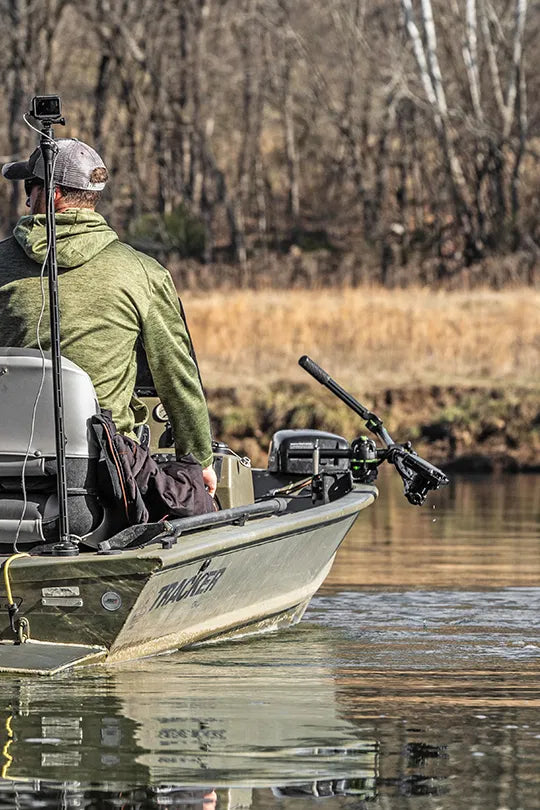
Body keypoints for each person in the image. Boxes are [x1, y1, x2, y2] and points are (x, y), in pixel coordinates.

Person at [0, 137, 217, 507]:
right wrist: (200, 461)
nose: (25, 201)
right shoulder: (143, 273)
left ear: (51, 195)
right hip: (102, 487)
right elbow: (177, 377)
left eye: (29, 188)